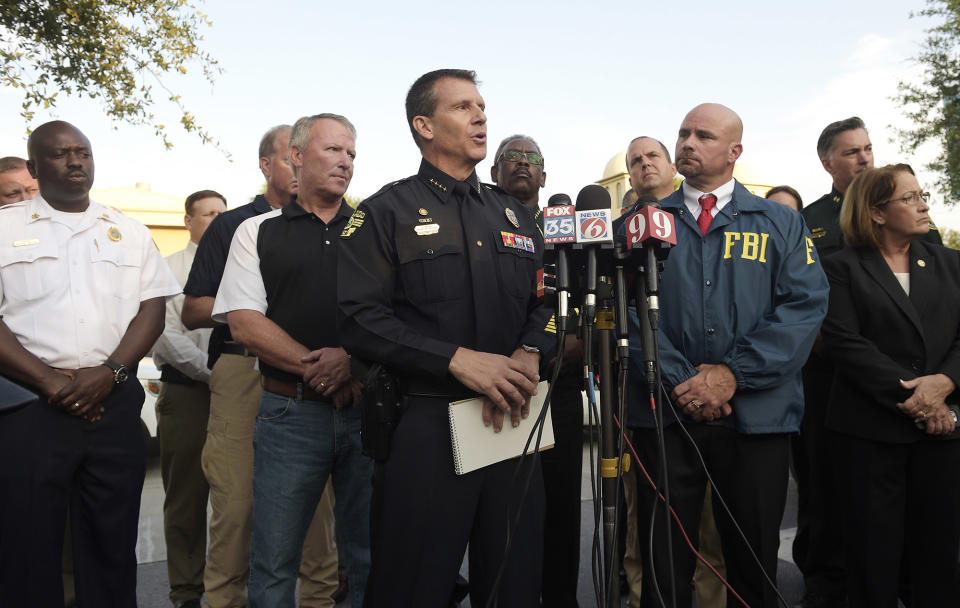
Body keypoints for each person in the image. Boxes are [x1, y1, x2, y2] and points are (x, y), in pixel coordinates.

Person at [337, 68, 555, 607]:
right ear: (424, 125)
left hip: (513, 420)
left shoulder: (516, 216)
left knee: (516, 580)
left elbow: (550, 304)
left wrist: (531, 349)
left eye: (481, 105)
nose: (480, 115)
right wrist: (456, 360)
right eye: (462, 107)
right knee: (412, 585)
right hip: (427, 425)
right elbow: (358, 317)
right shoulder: (384, 212)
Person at [625, 104, 829, 608]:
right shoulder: (642, 224)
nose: (688, 143)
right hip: (667, 416)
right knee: (662, 563)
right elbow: (627, 313)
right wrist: (683, 380)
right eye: (684, 133)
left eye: (705, 135)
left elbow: (803, 308)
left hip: (757, 418)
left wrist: (734, 374)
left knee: (752, 563)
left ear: (735, 151)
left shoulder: (780, 222)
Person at [0, 120, 179, 606]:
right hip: (32, 408)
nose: (75, 162)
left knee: (110, 541)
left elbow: (152, 309)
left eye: (83, 152)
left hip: (113, 403)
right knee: (27, 544)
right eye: (60, 154)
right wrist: (48, 382)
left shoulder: (130, 231)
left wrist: (113, 372)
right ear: (35, 167)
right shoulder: (5, 228)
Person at [213, 114, 371, 608]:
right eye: (333, 151)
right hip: (289, 414)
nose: (345, 161)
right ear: (296, 157)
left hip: (368, 414)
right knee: (275, 559)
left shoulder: (376, 228)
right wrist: (318, 368)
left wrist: (351, 360)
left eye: (351, 153)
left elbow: (397, 315)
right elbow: (242, 322)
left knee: (369, 555)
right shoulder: (255, 232)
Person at [181, 125, 339, 608]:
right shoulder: (234, 226)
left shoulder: (345, 225)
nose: (299, 164)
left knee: (320, 520)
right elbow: (192, 310)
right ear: (268, 165)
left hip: (321, 378)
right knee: (236, 510)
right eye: (289, 157)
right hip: (243, 371)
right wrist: (256, 307)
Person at [795, 117, 942, 608]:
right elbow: (810, 305)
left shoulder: (923, 235)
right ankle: (826, 583)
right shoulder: (810, 219)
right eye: (852, 151)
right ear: (827, 162)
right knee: (832, 497)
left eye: (868, 148)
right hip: (836, 382)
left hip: (925, 392)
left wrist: (937, 386)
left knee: (927, 525)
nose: (864, 158)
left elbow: (938, 308)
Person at [820, 163, 960, 607]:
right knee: (872, 560)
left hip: (941, 436)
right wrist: (923, 399)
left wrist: (945, 382)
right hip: (869, 435)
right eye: (910, 197)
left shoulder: (950, 263)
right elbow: (845, 343)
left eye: (923, 195)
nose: (923, 204)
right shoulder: (839, 267)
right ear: (877, 212)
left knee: (937, 557)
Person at [491, 134, 584, 607]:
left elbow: (584, 302)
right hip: (490, 388)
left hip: (556, 388)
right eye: (512, 157)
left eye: (532, 159)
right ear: (494, 172)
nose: (522, 164)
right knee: (504, 515)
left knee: (561, 509)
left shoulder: (563, 231)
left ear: (544, 177)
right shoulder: (478, 221)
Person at [151, 189, 226, 608]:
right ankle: (186, 591)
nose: (217, 219)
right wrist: (216, 375)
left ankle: (228, 586)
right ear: (188, 221)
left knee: (237, 500)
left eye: (222, 212)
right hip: (188, 394)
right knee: (186, 498)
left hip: (239, 395)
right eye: (208, 213)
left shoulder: (241, 265)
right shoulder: (168, 270)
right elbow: (166, 335)